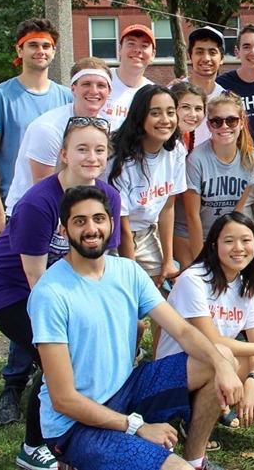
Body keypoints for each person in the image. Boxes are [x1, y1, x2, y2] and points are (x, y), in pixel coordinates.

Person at [28, 186, 241, 470]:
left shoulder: (127, 271)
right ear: (64, 231)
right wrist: (136, 426)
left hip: (125, 388)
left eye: (98, 219)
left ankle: (195, 459)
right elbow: (64, 399)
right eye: (80, 221)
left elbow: (182, 331)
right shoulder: (50, 293)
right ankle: (76, 459)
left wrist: (222, 364)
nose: (91, 229)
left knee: (221, 357)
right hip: (74, 424)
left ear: (111, 223)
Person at [0, 118, 120, 470]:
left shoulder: (109, 197)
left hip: (57, 284)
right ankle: (33, 446)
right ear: (64, 154)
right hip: (9, 288)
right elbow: (35, 278)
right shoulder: (38, 203)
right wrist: (71, 324)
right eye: (82, 149)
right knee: (57, 358)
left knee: (83, 348)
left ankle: (81, 423)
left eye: (99, 150)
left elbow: (104, 260)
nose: (91, 157)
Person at [0, 18, 72, 426]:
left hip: (58, 213)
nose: (40, 51)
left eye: (46, 45)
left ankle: (45, 373)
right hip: (20, 208)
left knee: (43, 297)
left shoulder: (65, 96)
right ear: (19, 51)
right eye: (32, 45)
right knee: (24, 288)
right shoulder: (1, 96)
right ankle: (12, 386)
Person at [156, 212, 254, 429]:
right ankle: (192, 413)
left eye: (246, 240)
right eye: (229, 241)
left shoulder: (247, 286)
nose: (238, 248)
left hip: (217, 359)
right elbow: (211, 341)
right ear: (213, 245)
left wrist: (252, 382)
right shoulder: (194, 279)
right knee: (222, 355)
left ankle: (213, 404)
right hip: (178, 368)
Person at [4, 58, 112, 215]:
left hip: (76, 213)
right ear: (73, 88)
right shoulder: (48, 128)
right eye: (86, 84)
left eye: (101, 85)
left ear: (109, 91)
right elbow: (43, 188)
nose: (94, 91)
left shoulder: (105, 126)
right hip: (33, 212)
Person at [108, 85, 186, 287]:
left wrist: (168, 260)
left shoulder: (176, 150)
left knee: (163, 293)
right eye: (155, 113)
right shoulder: (119, 158)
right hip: (113, 237)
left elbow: (167, 208)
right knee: (129, 290)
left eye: (170, 112)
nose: (165, 120)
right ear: (140, 116)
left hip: (147, 232)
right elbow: (122, 224)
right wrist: (131, 273)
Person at [183, 92, 254, 260]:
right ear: (209, 126)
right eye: (217, 122)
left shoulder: (251, 159)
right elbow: (192, 216)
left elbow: (237, 213)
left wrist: (228, 246)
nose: (224, 126)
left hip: (226, 237)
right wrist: (200, 260)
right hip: (195, 236)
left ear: (241, 122)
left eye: (231, 120)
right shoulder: (196, 159)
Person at [217, 25, 254, 225]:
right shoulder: (223, 85)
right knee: (239, 232)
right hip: (237, 177)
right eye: (247, 46)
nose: (253, 52)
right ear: (237, 51)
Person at [171, 82, 207, 268]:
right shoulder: (168, 141)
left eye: (198, 109)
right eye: (185, 107)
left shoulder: (186, 135)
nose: (193, 114)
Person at [102, 24, 155, 131]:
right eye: (131, 43)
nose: (137, 50)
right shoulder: (100, 80)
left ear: (153, 54)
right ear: (120, 49)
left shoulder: (153, 93)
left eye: (144, 46)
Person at [182, 26, 226, 148]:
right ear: (190, 56)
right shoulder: (173, 94)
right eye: (199, 52)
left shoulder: (226, 99)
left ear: (222, 58)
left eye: (212, 52)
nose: (206, 58)